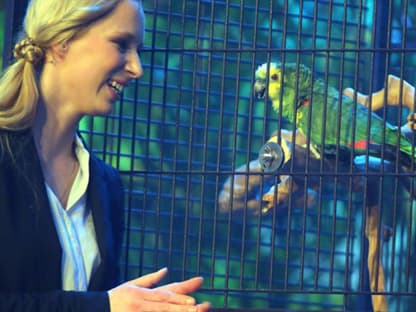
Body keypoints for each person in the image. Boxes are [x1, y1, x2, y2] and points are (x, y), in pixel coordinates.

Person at [0, 0, 211, 311]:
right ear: (63, 41)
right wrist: (105, 306)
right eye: (121, 44)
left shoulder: (106, 185)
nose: (136, 68)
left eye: (138, 49)